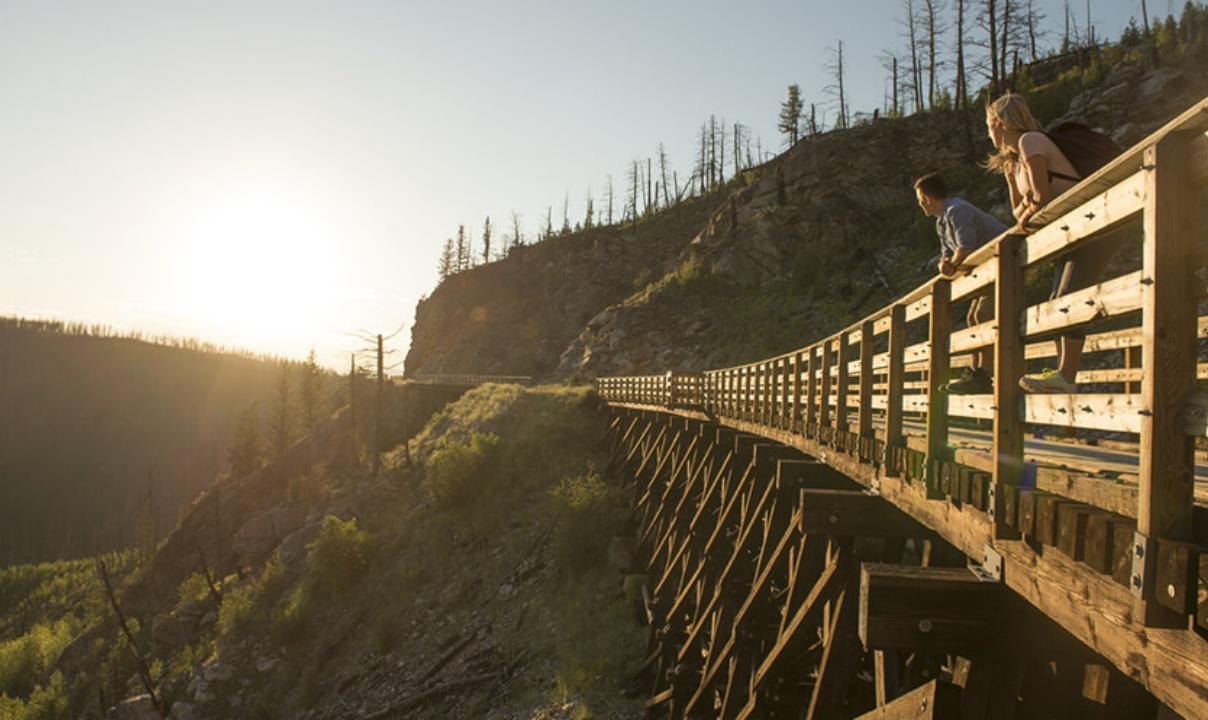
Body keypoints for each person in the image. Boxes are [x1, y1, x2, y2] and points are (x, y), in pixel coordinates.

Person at [984, 93, 1123, 394]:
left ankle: (1066, 376)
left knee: (1068, 296)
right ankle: (1061, 375)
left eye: (988, 126)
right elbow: (1019, 211)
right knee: (1055, 299)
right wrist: (1021, 193)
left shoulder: (1031, 142)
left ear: (997, 122)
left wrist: (1031, 207)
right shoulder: (1015, 161)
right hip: (1073, 232)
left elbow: (1042, 200)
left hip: (1095, 222)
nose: (988, 134)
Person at [914, 172, 1007, 394]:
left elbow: (966, 247)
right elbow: (948, 254)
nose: (920, 205)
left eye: (919, 200)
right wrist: (944, 265)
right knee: (973, 317)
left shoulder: (958, 210)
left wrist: (952, 263)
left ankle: (982, 374)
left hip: (1004, 264)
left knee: (983, 315)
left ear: (926, 198)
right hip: (986, 272)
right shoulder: (941, 222)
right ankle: (976, 372)